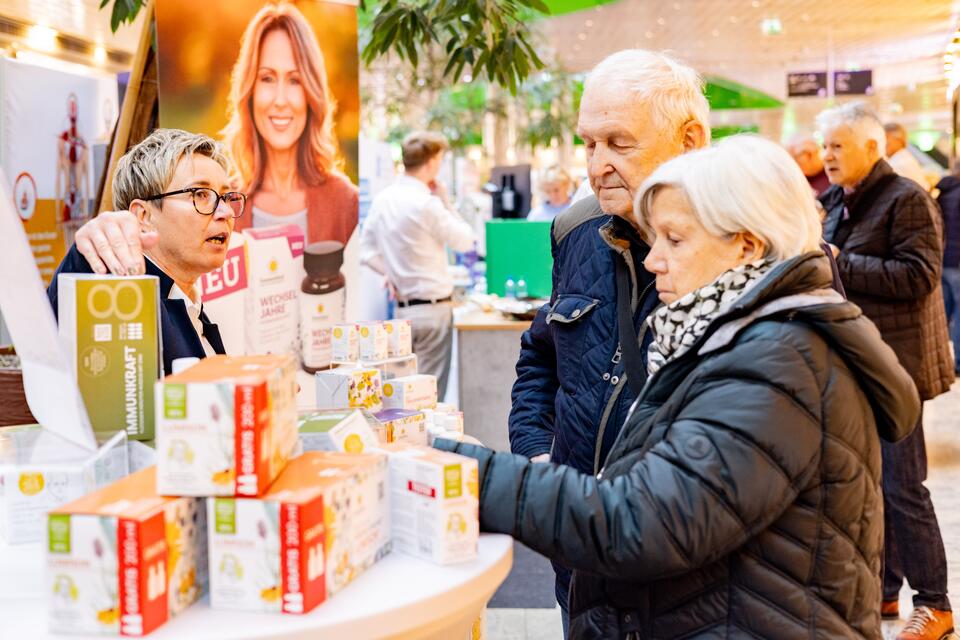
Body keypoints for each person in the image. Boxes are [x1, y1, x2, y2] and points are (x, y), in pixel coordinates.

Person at [437, 134, 919, 639]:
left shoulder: (778, 361)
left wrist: (472, 475)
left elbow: (642, 522)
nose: (652, 260)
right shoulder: (734, 339)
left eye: (675, 239)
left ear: (746, 246)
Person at [507, 49, 708, 633]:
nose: (598, 166)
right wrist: (540, 461)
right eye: (588, 144)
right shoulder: (575, 230)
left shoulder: (753, 249)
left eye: (618, 143)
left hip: (692, 591)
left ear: (689, 140)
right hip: (581, 571)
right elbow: (541, 358)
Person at [818, 102, 954, 640]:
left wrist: (836, 259)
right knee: (873, 485)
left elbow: (919, 276)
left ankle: (936, 604)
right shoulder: (838, 199)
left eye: (837, 146)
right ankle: (886, 590)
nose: (827, 156)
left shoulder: (907, 199)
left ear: (871, 148)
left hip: (899, 368)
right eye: (824, 145)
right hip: (858, 364)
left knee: (904, 487)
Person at [46, 129, 244, 375]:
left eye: (226, 197)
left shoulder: (189, 305)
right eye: (200, 194)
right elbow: (51, 337)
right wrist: (87, 252)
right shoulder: (124, 296)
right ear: (143, 216)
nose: (225, 212)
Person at [221, 2, 358, 244]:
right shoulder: (223, 205)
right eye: (267, 78)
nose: (281, 100)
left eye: (295, 80)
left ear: (311, 94)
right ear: (250, 91)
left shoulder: (347, 203)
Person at [359, 131, 475, 400]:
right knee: (429, 397)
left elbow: (366, 252)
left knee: (402, 395)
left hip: (402, 313)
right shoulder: (427, 204)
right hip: (434, 312)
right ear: (432, 162)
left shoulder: (383, 200)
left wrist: (390, 273)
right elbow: (466, 241)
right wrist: (446, 199)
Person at [935, 170, 960, 374]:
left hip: (943, 259)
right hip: (957, 261)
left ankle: (940, 360)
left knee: (943, 314)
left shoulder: (944, 190)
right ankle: (958, 363)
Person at [884, 122, 932, 191]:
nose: (883, 143)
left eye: (886, 137)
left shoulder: (900, 163)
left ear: (898, 140)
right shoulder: (903, 158)